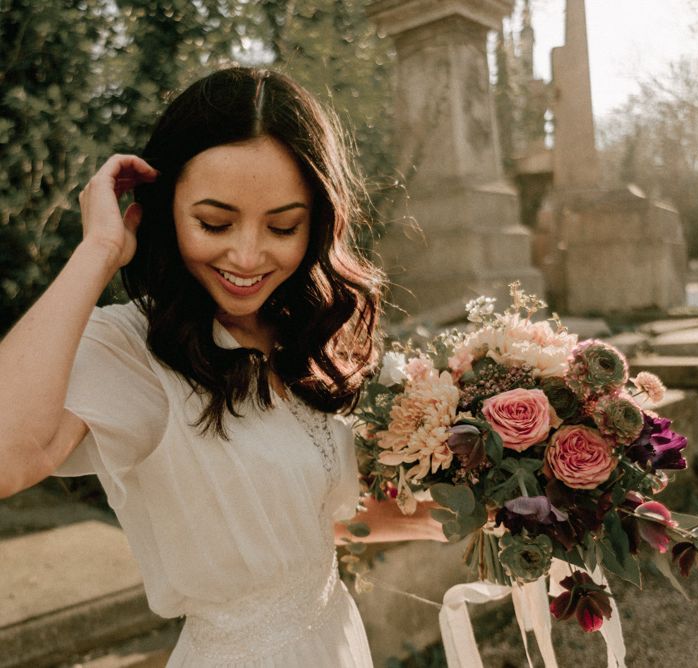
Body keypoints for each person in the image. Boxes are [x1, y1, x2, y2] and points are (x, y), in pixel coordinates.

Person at [0, 68, 443, 666]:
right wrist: (98, 252)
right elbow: (7, 457)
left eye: (283, 226)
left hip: (334, 641)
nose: (247, 255)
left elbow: (302, 524)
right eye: (214, 222)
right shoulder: (130, 350)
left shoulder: (297, 335)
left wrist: (484, 513)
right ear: (162, 210)